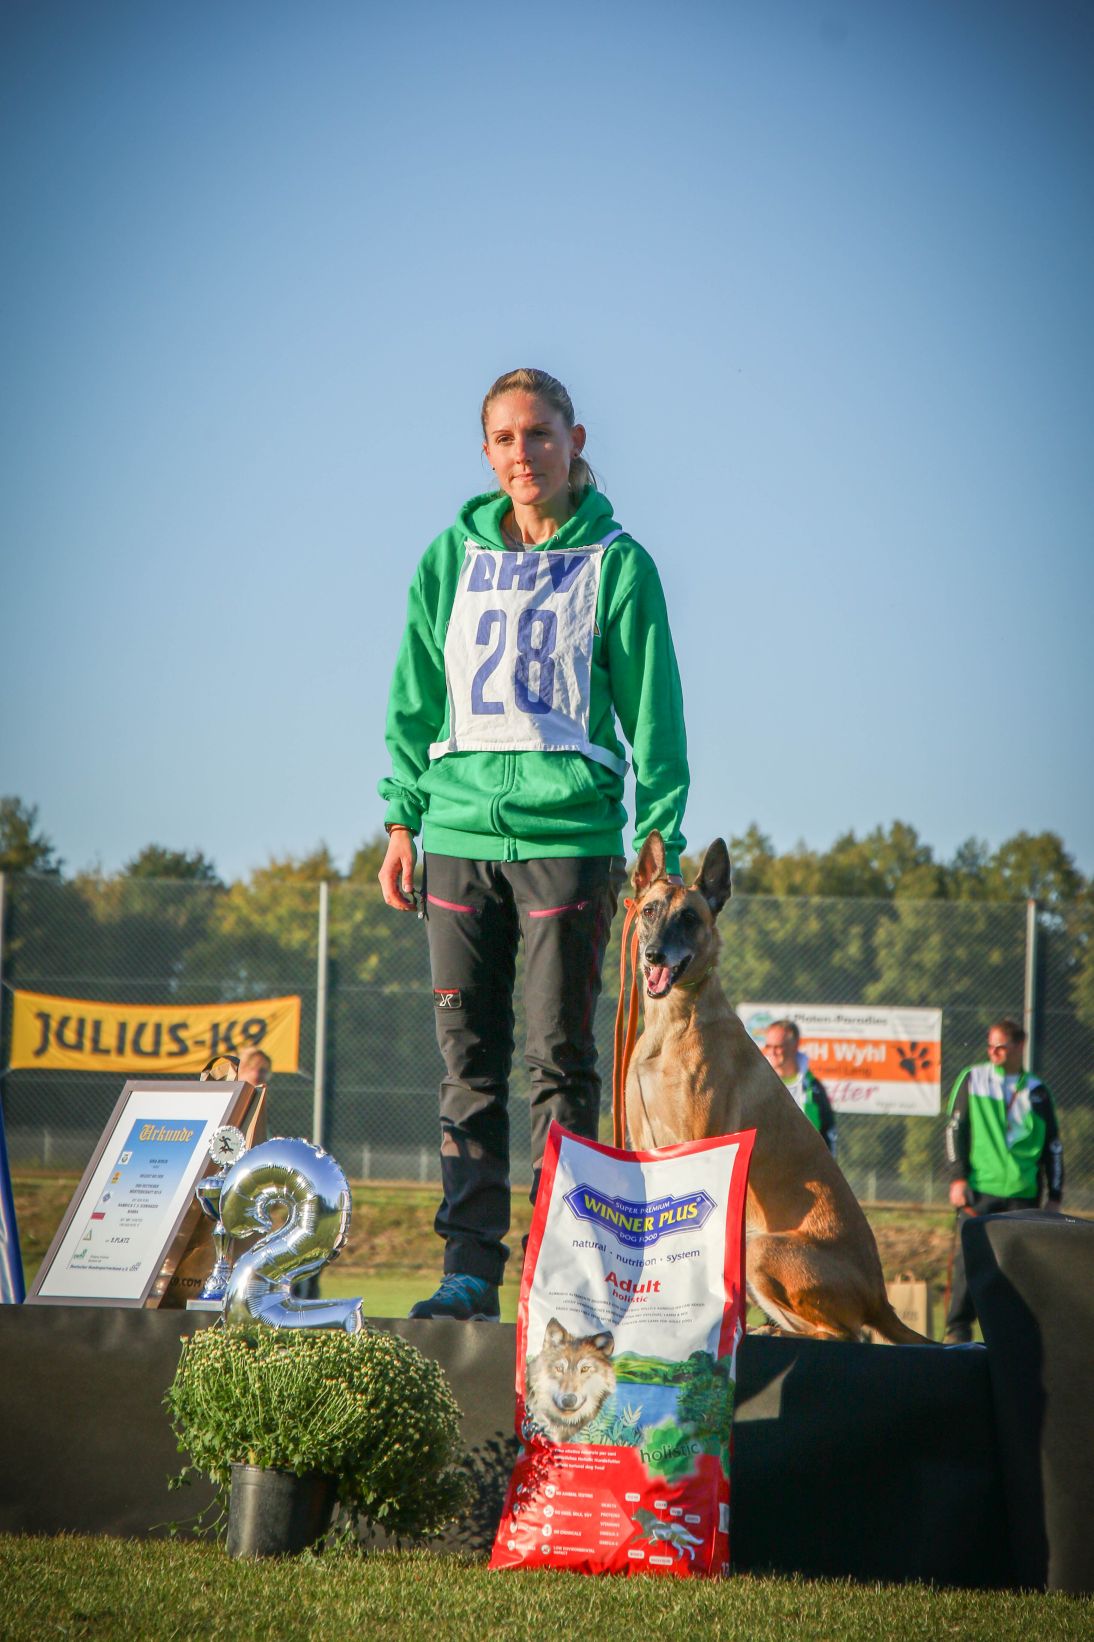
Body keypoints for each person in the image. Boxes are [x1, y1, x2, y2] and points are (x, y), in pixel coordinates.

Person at [378, 367, 689, 1321]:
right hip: (457, 836)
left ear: (574, 440)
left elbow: (655, 717)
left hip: (572, 841)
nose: (525, 454)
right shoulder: (449, 558)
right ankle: (468, 1271)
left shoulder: (621, 565)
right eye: (507, 439)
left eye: (541, 434)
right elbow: (413, 698)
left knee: (559, 1062)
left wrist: (660, 845)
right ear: (487, 453)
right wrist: (402, 819)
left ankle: (565, 1276)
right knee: (467, 1066)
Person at [943, 1016, 1064, 1344]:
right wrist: (957, 1178)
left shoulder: (1038, 1091)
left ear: (1020, 1046)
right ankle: (957, 1332)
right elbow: (955, 1130)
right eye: (990, 1046)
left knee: (1016, 1271)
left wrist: (1054, 1195)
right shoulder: (973, 1079)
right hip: (979, 1190)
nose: (993, 1053)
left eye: (1001, 1047)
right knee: (968, 1265)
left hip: (1023, 1194)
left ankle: (1011, 1339)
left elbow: (1053, 1146)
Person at [761, 1019, 837, 1156]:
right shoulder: (757, 1083)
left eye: (778, 1047)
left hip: (803, 1162)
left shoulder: (812, 1089)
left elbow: (825, 1132)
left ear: (795, 1046)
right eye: (768, 1046)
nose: (772, 1052)